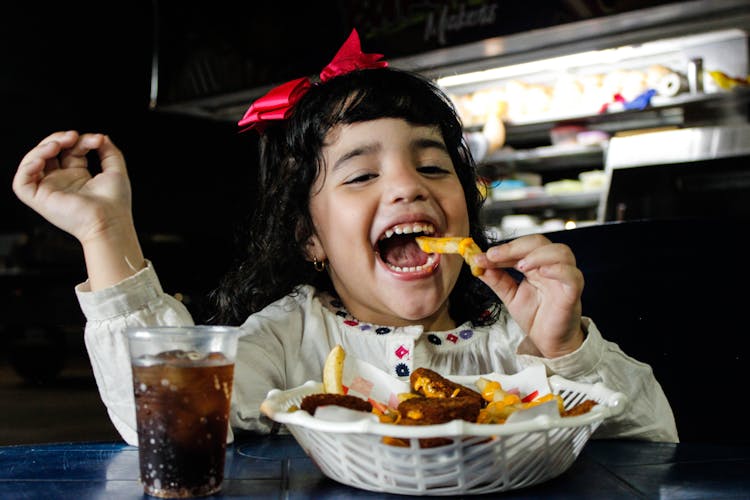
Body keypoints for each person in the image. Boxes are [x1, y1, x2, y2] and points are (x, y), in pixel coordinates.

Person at [12, 30, 678, 446]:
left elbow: (657, 437)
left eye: (433, 166)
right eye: (361, 174)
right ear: (311, 240)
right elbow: (169, 415)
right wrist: (105, 232)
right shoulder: (292, 337)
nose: (407, 188)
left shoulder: (512, 336)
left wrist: (562, 350)